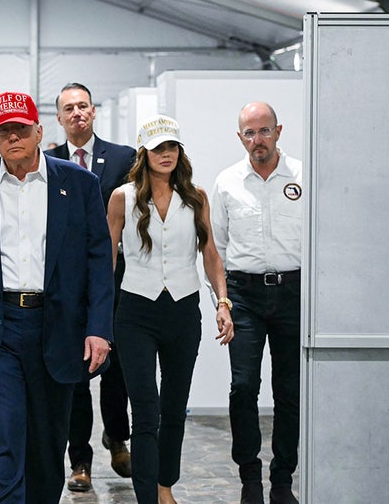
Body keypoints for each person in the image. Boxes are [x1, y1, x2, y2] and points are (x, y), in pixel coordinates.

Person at [0, 91, 114, 504]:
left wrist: (99, 329)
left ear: (39, 130)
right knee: (0, 436)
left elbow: (98, 262)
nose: (13, 137)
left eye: (21, 128)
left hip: (57, 327)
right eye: (4, 131)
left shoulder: (79, 184)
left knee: (46, 446)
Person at [107, 114, 234, 504]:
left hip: (182, 311)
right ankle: (148, 496)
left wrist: (222, 302)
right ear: (144, 153)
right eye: (158, 148)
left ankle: (165, 487)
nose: (166, 154)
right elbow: (107, 257)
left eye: (172, 147)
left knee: (175, 408)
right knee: (146, 410)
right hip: (135, 312)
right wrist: (97, 314)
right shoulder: (123, 197)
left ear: (180, 151)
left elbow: (210, 254)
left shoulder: (196, 197)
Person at [45, 82, 135, 490]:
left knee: (116, 367)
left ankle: (117, 437)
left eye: (83, 106)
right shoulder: (47, 161)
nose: (77, 113)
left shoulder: (122, 158)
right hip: (65, 284)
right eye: (69, 108)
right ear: (59, 118)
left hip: (115, 279)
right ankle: (79, 460)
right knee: (75, 373)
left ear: (94, 111)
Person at [211, 102, 302, 504]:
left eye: (264, 131)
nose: (257, 140)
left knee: (289, 391)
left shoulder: (302, 175)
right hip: (243, 296)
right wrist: (222, 301)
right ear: (240, 137)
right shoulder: (227, 182)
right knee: (243, 387)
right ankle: (250, 478)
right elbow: (216, 248)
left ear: (278, 131)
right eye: (249, 133)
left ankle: (282, 480)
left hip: (293, 293)